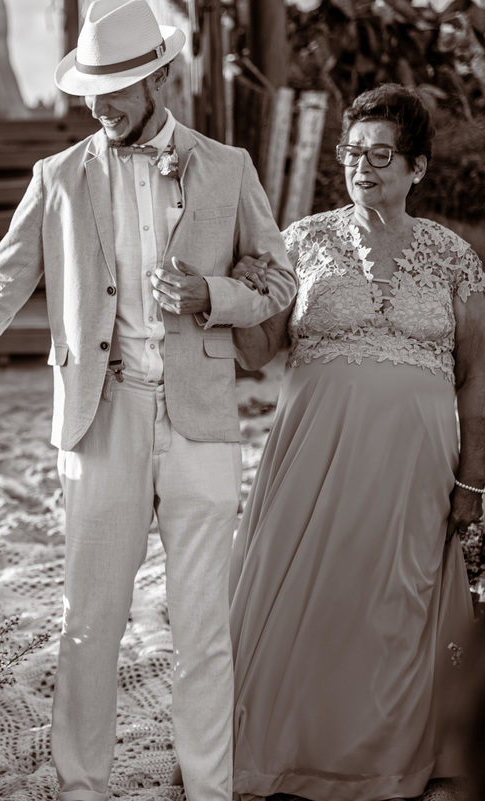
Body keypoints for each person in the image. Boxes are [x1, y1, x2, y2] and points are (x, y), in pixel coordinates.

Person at [0, 2, 296, 799]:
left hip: (203, 421)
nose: (99, 105)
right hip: (99, 418)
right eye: (91, 89)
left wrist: (210, 294)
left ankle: (209, 787)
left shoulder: (229, 167)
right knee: (89, 621)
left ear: (160, 77)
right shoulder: (57, 178)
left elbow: (279, 281)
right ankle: (83, 786)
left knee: (203, 627)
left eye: (116, 87)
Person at [227, 83, 483, 800]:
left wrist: (473, 479)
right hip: (313, 462)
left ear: (417, 167)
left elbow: (477, 379)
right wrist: (234, 290)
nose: (363, 166)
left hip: (415, 470)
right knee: (309, 603)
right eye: (353, 152)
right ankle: (288, 758)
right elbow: (257, 351)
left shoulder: (454, 257)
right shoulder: (301, 239)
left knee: (396, 608)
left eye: (381, 154)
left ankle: (388, 765)